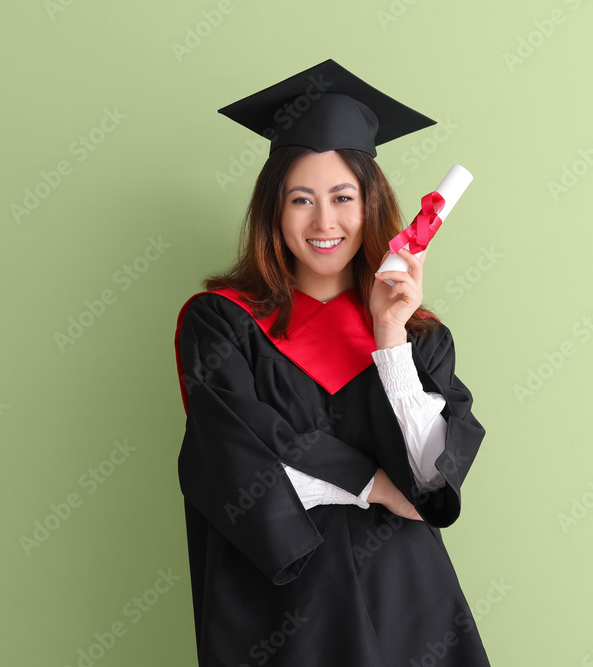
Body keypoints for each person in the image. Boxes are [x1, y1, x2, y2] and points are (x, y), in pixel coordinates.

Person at [175, 59, 490, 666]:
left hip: (409, 602)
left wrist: (389, 335)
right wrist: (373, 484)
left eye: (343, 197)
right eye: (302, 199)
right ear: (274, 209)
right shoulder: (221, 323)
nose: (325, 222)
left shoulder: (419, 338)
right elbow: (232, 465)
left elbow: (429, 480)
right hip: (284, 612)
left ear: (369, 205)